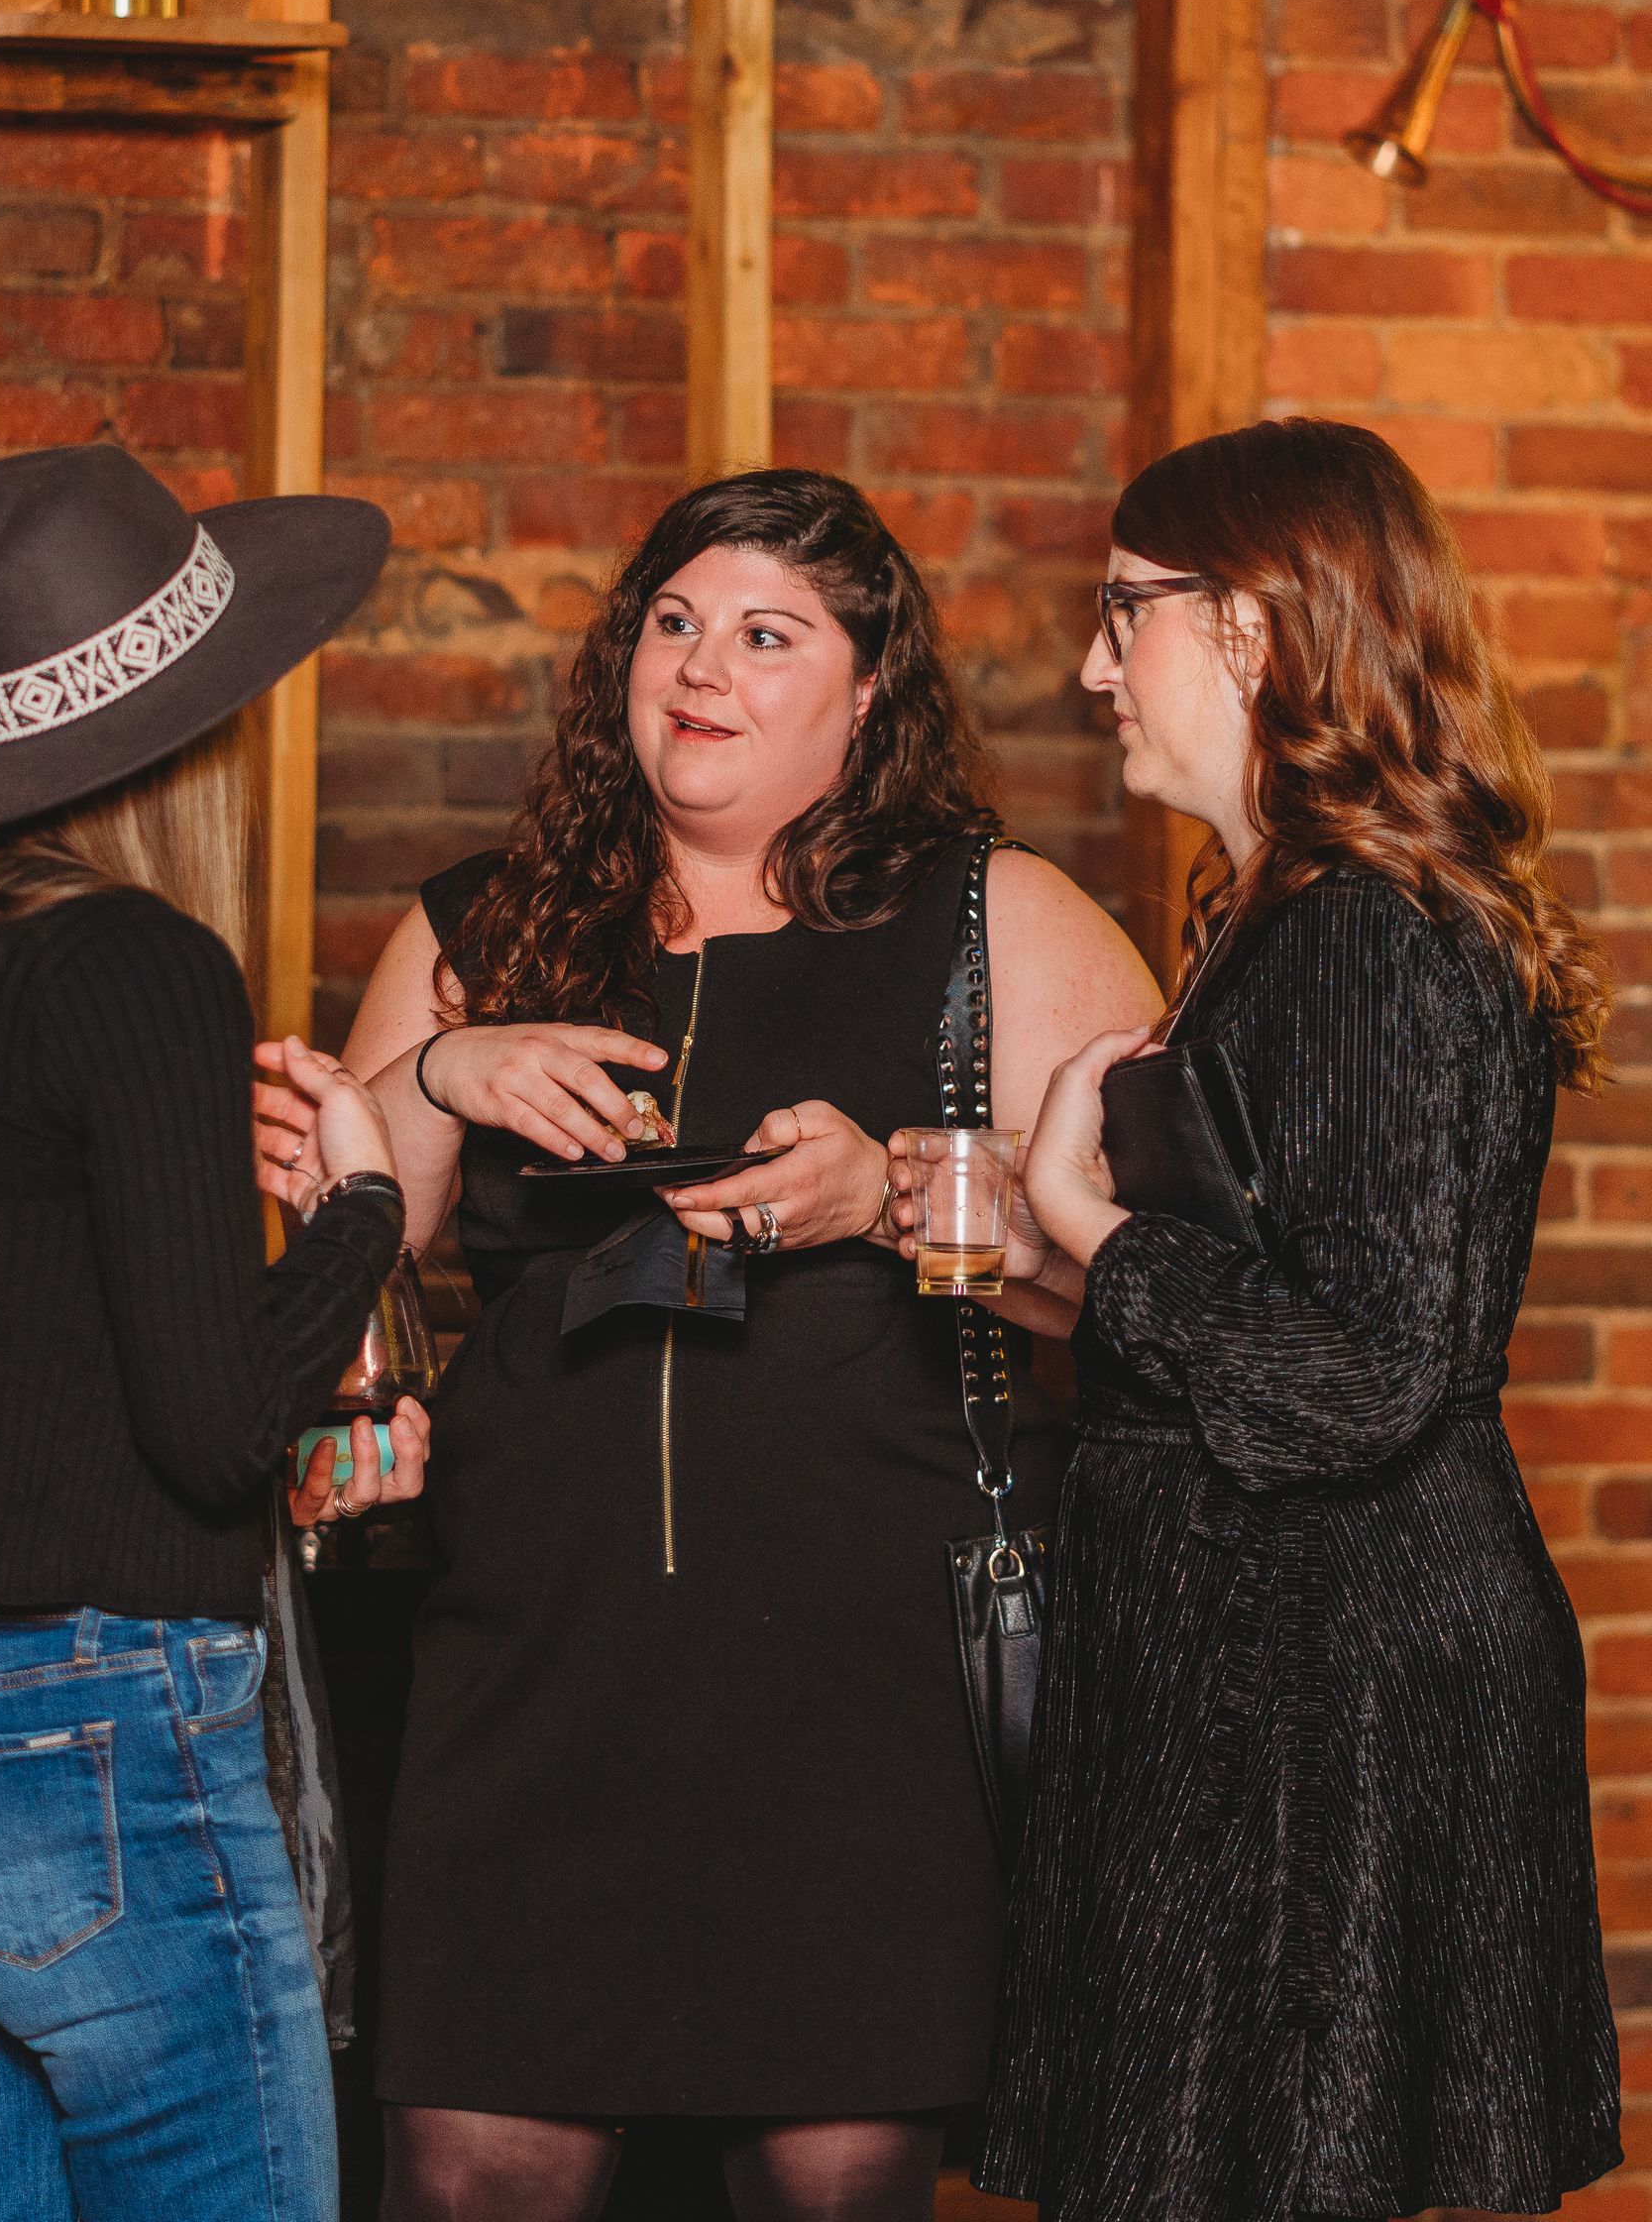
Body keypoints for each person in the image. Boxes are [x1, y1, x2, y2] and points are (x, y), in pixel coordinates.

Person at [257, 468, 1160, 2222]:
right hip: (531, 1669)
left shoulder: (997, 921)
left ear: (869, 687)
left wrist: (892, 1197)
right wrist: (446, 1070)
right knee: (467, 2175)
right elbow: (355, 1261)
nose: (702, 667)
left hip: (857, 1696)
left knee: (831, 2187)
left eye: (767, 635)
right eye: (675, 623)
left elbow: (1147, 1291)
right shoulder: (478, 929)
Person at [0, 445, 432, 2222]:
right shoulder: (134, 961)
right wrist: (361, 1211)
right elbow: (210, 1423)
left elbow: (30, 1391)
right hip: (109, 1754)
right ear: (192, 727)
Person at [972, 419, 1622, 2221]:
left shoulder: (1359, 932)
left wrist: (1092, 1226)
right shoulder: (1277, 906)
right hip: (1261, 1663)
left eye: (1127, 612)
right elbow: (1288, 1290)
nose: (1096, 664)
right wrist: (1034, 1248)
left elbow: (1362, 1370)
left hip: (1311, 1696)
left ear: (1255, 622)